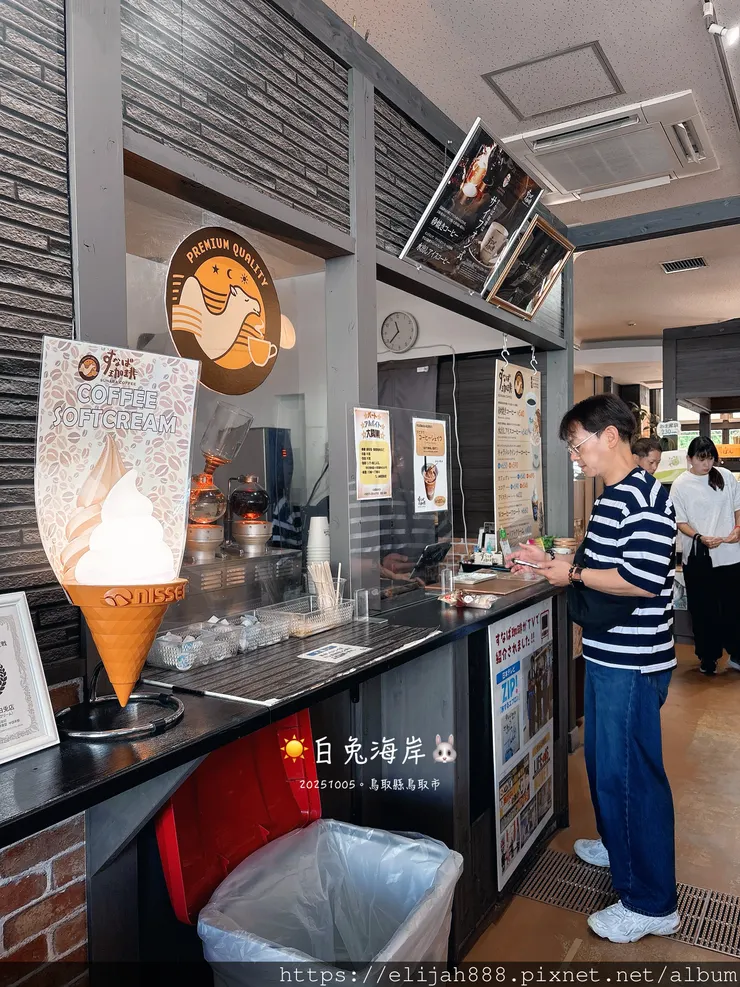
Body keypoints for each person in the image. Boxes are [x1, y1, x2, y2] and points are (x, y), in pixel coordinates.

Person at [510, 394, 678, 944]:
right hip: (614, 657)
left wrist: (573, 575)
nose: (576, 457)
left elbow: (641, 578)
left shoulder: (640, 497)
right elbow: (612, 557)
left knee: (631, 777)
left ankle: (652, 902)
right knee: (608, 764)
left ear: (611, 437)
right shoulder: (622, 495)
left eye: (577, 446)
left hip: (631, 662)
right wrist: (559, 561)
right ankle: (617, 843)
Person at [669, 436, 740, 675]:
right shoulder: (681, 484)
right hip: (699, 555)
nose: (706, 464)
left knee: (733, 607)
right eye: (701, 459)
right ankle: (708, 657)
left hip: (730, 554)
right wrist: (699, 537)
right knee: (703, 609)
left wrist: (738, 530)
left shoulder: (726, 477)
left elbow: (737, 507)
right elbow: (680, 521)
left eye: (710, 458)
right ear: (689, 459)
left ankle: (736, 654)